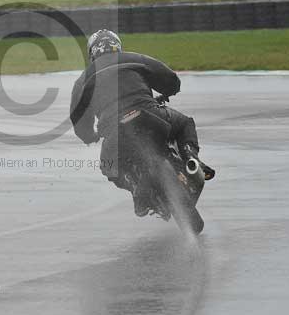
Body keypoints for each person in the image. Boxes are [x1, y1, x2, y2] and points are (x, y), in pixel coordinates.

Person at [69, 29, 210, 216]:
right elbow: (169, 78)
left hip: (114, 132)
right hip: (150, 115)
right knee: (184, 123)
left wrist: (89, 136)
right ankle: (192, 159)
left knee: (108, 166)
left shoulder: (82, 81)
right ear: (117, 46)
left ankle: (135, 188)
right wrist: (170, 90)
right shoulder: (133, 58)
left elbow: (78, 118)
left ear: (91, 53)